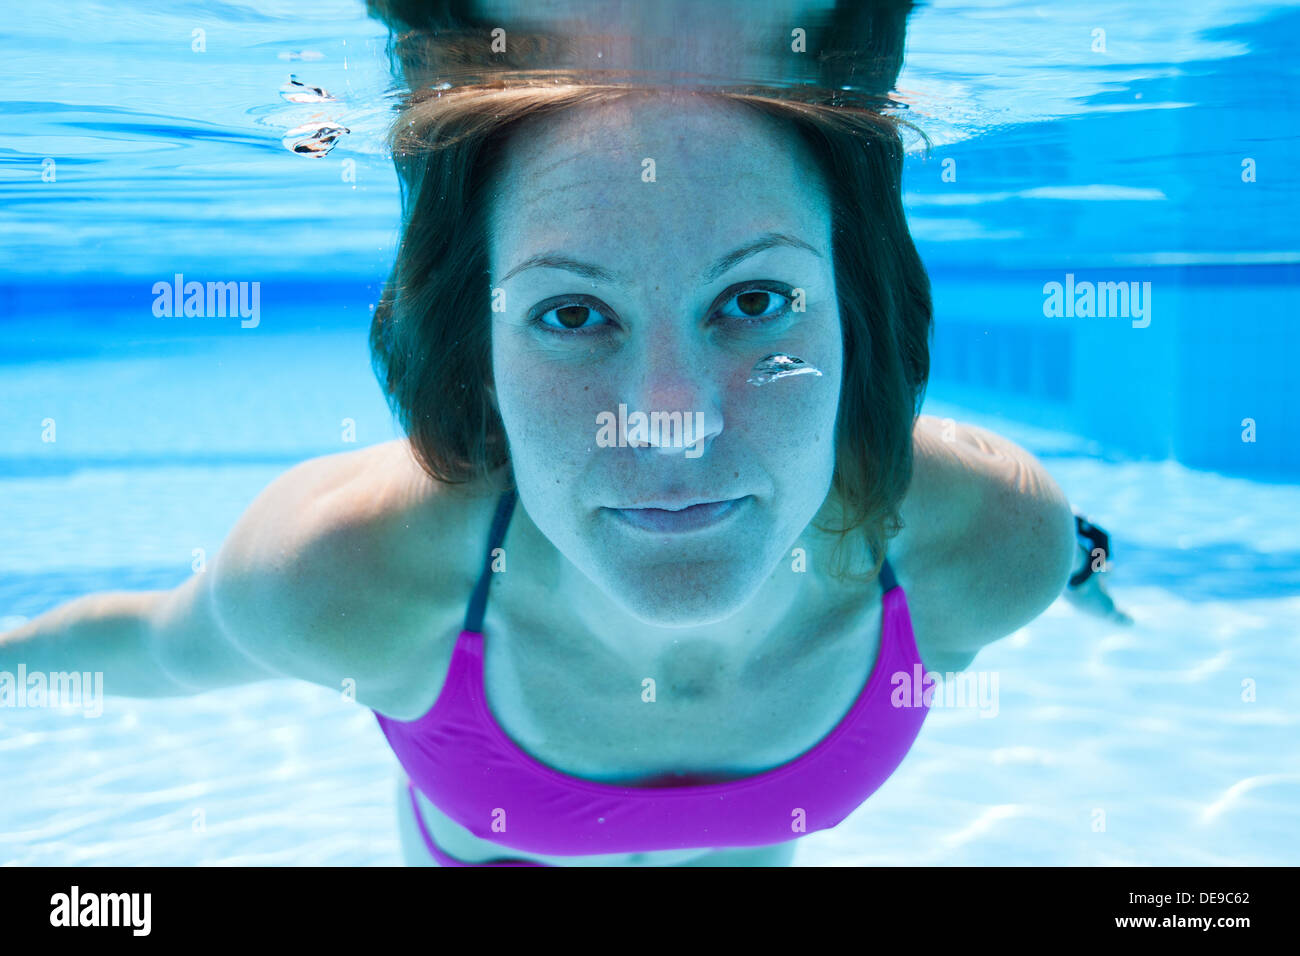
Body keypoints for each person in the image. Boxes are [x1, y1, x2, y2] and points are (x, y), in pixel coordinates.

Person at [0, 0, 1125, 867]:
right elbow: (154, 647)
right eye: (573, 314)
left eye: (753, 300)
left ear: (859, 310)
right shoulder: (341, 573)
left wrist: (1082, 562)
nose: (675, 421)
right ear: (474, 356)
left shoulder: (993, 542)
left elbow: (1046, 542)